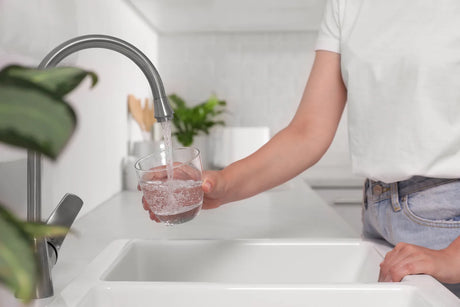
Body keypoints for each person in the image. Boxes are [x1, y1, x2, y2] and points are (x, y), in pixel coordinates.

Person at [143, 0, 460, 293]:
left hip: (449, 229)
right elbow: (308, 132)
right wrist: (221, 184)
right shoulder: (346, 4)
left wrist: (453, 257)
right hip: (379, 216)